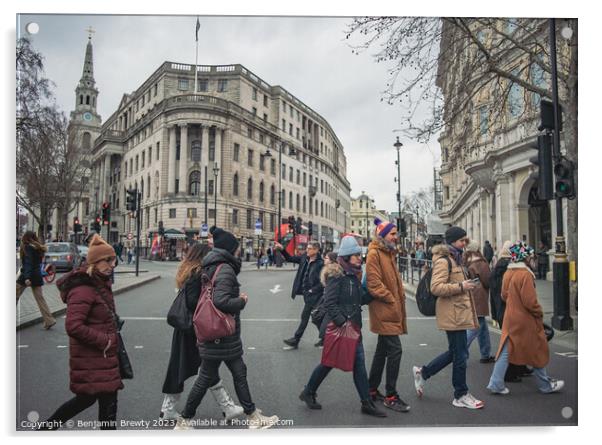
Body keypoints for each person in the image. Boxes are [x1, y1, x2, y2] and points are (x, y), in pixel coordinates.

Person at [176, 227, 279, 429]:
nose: (239, 251)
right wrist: (241, 300)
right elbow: (220, 301)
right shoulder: (225, 269)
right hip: (221, 332)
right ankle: (185, 421)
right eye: (237, 248)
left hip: (219, 333)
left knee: (236, 372)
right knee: (210, 376)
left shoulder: (212, 265)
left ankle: (251, 416)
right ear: (230, 249)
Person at [298, 236, 386, 418]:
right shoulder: (336, 275)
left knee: (353, 364)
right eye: (355, 256)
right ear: (345, 257)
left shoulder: (353, 275)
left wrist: (374, 291)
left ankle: (365, 402)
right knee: (329, 363)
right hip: (343, 327)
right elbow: (330, 303)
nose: (359, 259)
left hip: (353, 328)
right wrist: (343, 323)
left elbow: (359, 299)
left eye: (359, 255)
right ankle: (310, 392)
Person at [42, 235, 121, 429]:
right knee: (91, 402)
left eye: (113, 260)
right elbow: (73, 326)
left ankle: (44, 430)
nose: (113, 264)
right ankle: (43, 430)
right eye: (108, 260)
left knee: (97, 403)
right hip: (93, 358)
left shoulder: (99, 283)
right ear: (95, 262)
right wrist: (106, 341)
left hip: (102, 359)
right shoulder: (83, 288)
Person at [160, 243, 243, 421]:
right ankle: (226, 407)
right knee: (205, 367)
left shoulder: (188, 270)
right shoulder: (196, 274)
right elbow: (192, 302)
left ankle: (168, 408)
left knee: (185, 367)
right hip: (195, 327)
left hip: (186, 327)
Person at [412, 226, 484, 409]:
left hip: (458, 312)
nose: (465, 243)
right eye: (462, 240)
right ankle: (460, 394)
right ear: (453, 241)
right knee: (460, 355)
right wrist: (461, 286)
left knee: (456, 352)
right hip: (452, 314)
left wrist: (465, 285)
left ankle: (423, 372)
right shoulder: (445, 261)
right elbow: (436, 287)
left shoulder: (456, 258)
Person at [487, 241, 564, 395]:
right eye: (530, 255)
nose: (532, 258)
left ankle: (496, 383)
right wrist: (539, 312)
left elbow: (504, 295)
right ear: (525, 257)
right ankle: (545, 385)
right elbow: (530, 302)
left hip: (510, 316)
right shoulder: (525, 274)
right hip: (525, 318)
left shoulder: (509, 272)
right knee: (537, 348)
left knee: (505, 351)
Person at [365, 219, 410, 413]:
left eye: (396, 233)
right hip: (384, 309)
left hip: (390, 308)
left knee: (382, 351)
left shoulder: (388, 253)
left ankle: (371, 389)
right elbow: (374, 284)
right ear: (382, 236)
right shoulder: (375, 253)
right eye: (392, 234)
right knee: (395, 351)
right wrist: (392, 299)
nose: (396, 236)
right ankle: (391, 395)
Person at [274, 240, 325, 349]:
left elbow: (323, 281)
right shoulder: (304, 258)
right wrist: (282, 249)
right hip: (307, 295)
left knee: (305, 317)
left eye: (310, 248)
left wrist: (313, 290)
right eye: (307, 248)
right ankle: (325, 338)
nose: (307, 250)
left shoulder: (320, 263)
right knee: (316, 317)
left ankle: (296, 340)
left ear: (316, 250)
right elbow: (290, 258)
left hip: (315, 295)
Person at [16, 231, 56, 329]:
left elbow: (28, 263)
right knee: (40, 299)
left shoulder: (28, 247)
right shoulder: (38, 247)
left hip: (26, 275)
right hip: (36, 276)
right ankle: (49, 320)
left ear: (26, 237)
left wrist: (27, 278)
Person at [463, 242, 494, 363]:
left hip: (471, 293)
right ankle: (459, 352)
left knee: (482, 326)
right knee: (475, 327)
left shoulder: (467, 260)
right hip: (479, 296)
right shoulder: (480, 262)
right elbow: (487, 280)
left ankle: (485, 353)